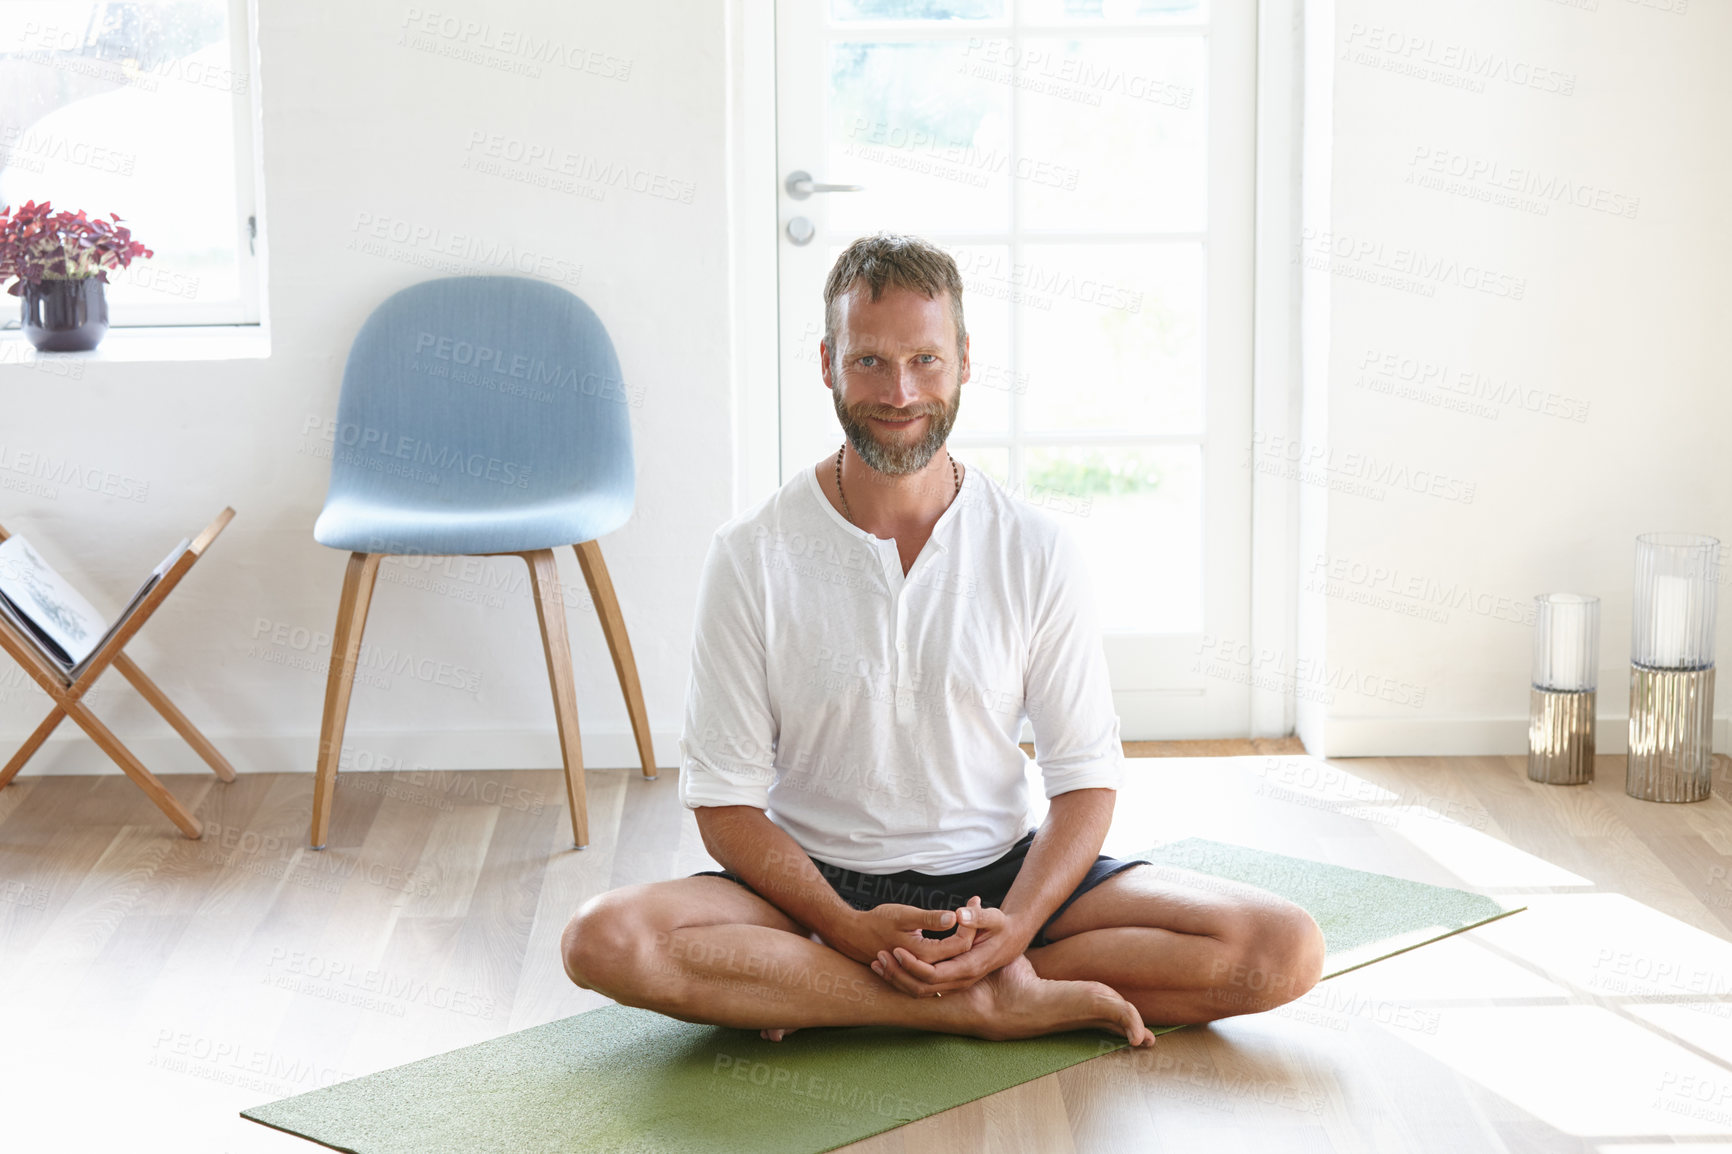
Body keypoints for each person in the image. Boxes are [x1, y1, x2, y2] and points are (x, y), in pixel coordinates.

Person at [562, 232, 1324, 1047]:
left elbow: (1085, 782)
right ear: (827, 363)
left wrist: (1017, 925)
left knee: (1281, 949)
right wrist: (846, 928)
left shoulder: (1034, 547)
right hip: (810, 893)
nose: (899, 392)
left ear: (964, 360)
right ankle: (980, 1002)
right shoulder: (751, 554)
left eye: (925, 360)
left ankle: (842, 989)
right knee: (604, 941)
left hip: (999, 878)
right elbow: (725, 805)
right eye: (869, 362)